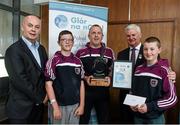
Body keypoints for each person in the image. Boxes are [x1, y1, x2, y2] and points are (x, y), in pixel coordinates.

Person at [117, 24, 176, 124]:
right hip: (131, 104)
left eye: (133, 35)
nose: (148, 52)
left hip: (154, 114)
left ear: (140, 35)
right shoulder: (121, 54)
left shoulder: (158, 63)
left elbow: (161, 65)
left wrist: (171, 74)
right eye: (128, 36)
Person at [4, 15, 48, 123]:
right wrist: (41, 98)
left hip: (38, 108)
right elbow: (20, 80)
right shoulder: (13, 50)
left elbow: (44, 74)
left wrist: (47, 95)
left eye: (37, 27)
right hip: (20, 110)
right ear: (22, 27)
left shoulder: (41, 49)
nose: (33, 29)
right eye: (30, 25)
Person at [130, 36, 178, 124]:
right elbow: (133, 91)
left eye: (152, 49)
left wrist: (149, 107)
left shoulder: (165, 71)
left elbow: (172, 98)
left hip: (155, 118)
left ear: (159, 50)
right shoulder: (138, 69)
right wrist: (132, 103)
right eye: (145, 49)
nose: (148, 52)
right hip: (138, 117)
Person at [76, 24, 115, 124]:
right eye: (93, 33)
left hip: (103, 93)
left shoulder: (109, 52)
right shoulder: (80, 52)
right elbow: (77, 72)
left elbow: (113, 69)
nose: (96, 35)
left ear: (102, 36)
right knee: (83, 120)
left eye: (99, 33)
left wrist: (110, 77)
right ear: (89, 36)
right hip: (86, 92)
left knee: (104, 121)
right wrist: (85, 78)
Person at [44, 30, 85, 124]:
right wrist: (55, 107)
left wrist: (82, 105)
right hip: (59, 106)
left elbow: (81, 84)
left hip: (75, 106)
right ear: (59, 42)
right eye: (64, 39)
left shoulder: (78, 61)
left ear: (73, 42)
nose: (67, 42)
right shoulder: (53, 60)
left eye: (70, 40)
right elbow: (48, 85)